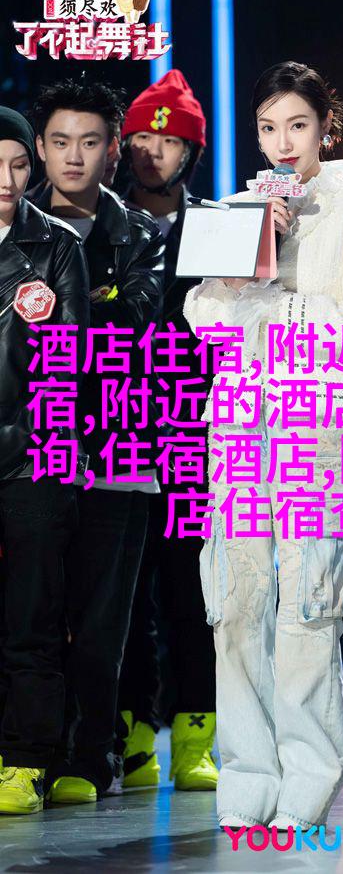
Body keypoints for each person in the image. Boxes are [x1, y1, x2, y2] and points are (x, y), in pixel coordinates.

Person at [183, 60, 343, 830]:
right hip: (239, 422)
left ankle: (308, 776)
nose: (282, 142)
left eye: (297, 125)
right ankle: (247, 776)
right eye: (268, 127)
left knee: (310, 600)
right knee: (236, 602)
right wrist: (252, 263)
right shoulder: (235, 209)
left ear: (325, 127)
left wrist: (265, 303)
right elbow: (201, 316)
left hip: (318, 425)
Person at [28, 79, 165, 804]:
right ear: (39, 148)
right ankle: (32, 749)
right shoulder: (13, 228)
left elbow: (138, 328)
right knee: (32, 610)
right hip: (32, 444)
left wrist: (62, 317)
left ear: (114, 150)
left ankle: (92, 753)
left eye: (89, 142)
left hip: (120, 442)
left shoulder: (142, 236)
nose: (73, 157)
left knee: (105, 616)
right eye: (60, 142)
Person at [116, 69, 218, 791]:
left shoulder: (221, 225)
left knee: (193, 591)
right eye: (142, 140)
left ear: (193, 151)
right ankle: (129, 737)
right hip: (114, 426)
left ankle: (195, 739)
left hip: (195, 431)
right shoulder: (100, 223)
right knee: (119, 593)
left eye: (170, 140)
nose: (154, 152)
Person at [0, 107, 89, 815]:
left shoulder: (55, 246)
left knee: (32, 616)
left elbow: (71, 363)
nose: (7, 180)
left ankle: (26, 758)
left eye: (17, 164)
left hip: (29, 455)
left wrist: (49, 456)